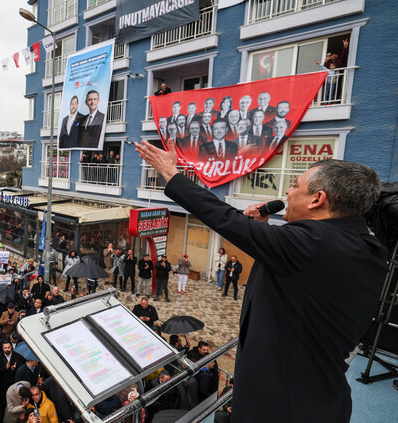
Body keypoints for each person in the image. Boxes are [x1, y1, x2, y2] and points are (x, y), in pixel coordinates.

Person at [134, 139, 387, 422]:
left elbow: (225, 218)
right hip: (323, 396)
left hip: (280, 404)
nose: (288, 191)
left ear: (318, 199)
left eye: (295, 185)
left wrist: (172, 174)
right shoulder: (368, 246)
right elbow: (301, 278)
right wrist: (266, 236)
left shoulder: (310, 243)